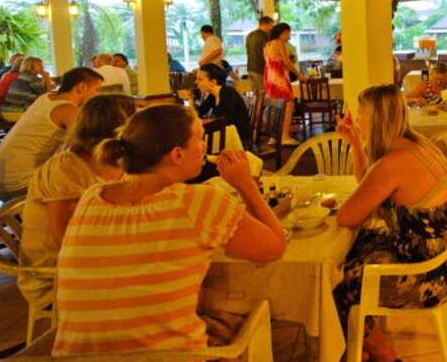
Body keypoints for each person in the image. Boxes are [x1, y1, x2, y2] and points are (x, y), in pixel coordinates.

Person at [52, 105, 285, 356]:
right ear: (177, 154)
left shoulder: (92, 197)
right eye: (200, 140)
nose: (203, 147)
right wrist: (246, 185)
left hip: (77, 357)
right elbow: (274, 247)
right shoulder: (198, 202)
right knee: (259, 321)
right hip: (167, 356)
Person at [332, 85, 447, 362]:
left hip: (427, 276)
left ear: (376, 118)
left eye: (361, 113)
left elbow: (346, 216)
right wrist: (355, 142)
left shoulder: (394, 162)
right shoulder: (415, 144)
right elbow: (367, 182)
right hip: (442, 259)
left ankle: (383, 353)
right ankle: (357, 342)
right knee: (355, 247)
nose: (357, 118)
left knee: (337, 281)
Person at [18, 94, 135, 309]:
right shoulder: (66, 168)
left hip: (99, 261)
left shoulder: (116, 163)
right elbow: (65, 238)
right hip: (56, 277)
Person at [0, 67, 104, 201]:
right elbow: (88, 147)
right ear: (82, 87)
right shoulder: (67, 109)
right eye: (97, 90)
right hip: (20, 187)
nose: (99, 95)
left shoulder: (45, 98)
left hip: (1, 181)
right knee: (93, 187)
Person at [180, 63, 252, 149]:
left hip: (239, 142)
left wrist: (202, 122)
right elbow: (198, 113)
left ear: (213, 82)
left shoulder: (228, 94)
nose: (196, 82)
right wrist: (190, 99)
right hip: (224, 135)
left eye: (200, 79)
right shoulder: (213, 95)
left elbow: (225, 122)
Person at [263, 22, 299, 143]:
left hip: (269, 78)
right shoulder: (280, 43)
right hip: (280, 78)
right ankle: (284, 136)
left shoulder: (268, 44)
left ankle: (274, 136)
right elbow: (286, 62)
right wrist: (299, 75)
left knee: (275, 107)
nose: (289, 36)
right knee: (289, 104)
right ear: (282, 33)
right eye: (288, 33)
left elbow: (269, 61)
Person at [245, 16, 274, 99]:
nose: (271, 28)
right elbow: (266, 53)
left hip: (250, 68)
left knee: (255, 94)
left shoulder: (250, 35)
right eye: (271, 25)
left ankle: (255, 108)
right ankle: (262, 108)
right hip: (260, 68)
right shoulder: (264, 36)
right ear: (266, 24)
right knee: (263, 94)